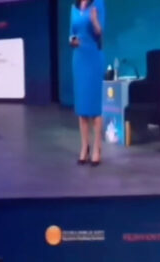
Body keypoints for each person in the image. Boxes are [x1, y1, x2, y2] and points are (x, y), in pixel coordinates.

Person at [69, 0, 105, 166]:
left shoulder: (98, 4)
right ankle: (84, 147)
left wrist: (95, 20)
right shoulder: (74, 8)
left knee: (95, 108)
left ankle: (97, 148)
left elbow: (100, 32)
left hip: (93, 57)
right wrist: (72, 40)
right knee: (82, 107)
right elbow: (72, 32)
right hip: (79, 58)